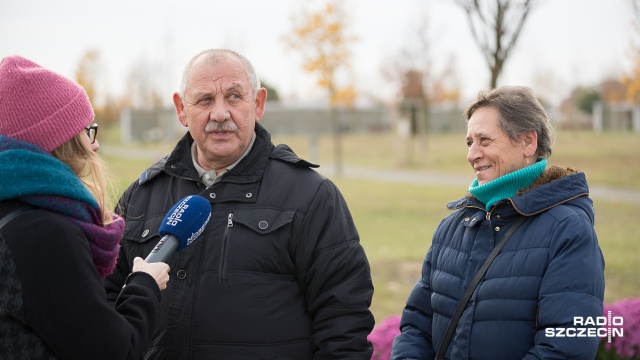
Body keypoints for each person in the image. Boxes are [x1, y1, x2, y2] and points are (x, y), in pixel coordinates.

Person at [103, 48, 375, 359]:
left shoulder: (311, 196)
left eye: (234, 96)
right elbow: (106, 303)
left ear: (257, 104)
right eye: (204, 99)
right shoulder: (141, 196)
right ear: (181, 109)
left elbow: (344, 322)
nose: (220, 114)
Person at [391, 86, 605, 359]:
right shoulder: (451, 227)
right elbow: (416, 326)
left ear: (528, 142)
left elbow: (566, 348)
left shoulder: (567, 231)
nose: (472, 154)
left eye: (485, 140)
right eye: (470, 142)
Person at [0, 55, 171, 360]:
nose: (95, 145)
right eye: (86, 130)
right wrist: (145, 285)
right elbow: (115, 351)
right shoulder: (43, 235)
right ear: (58, 139)